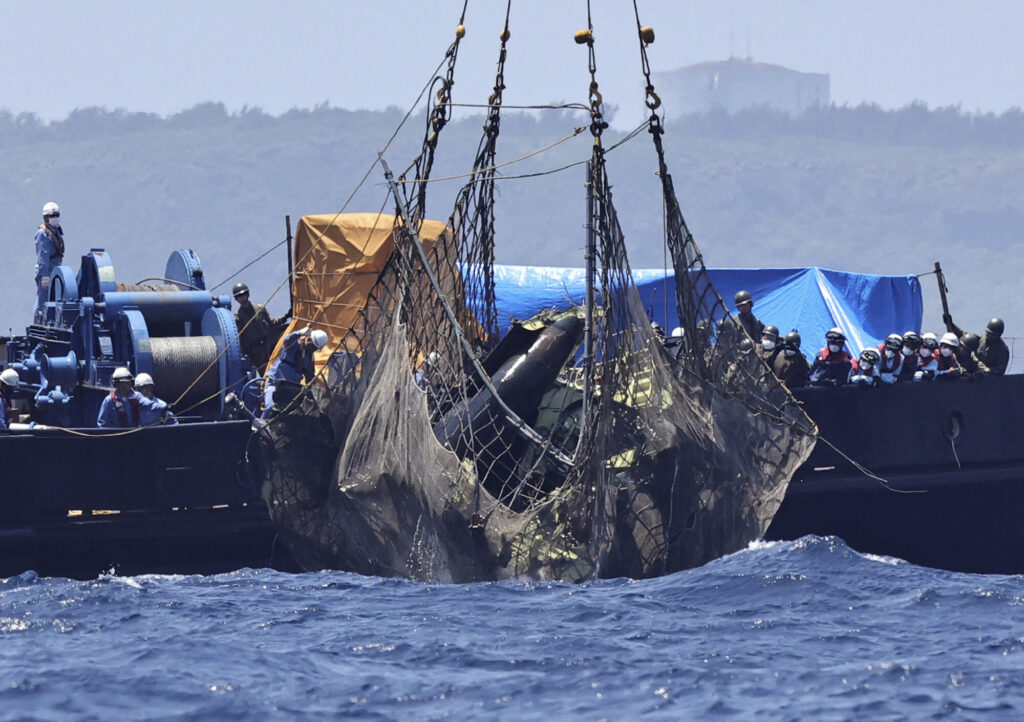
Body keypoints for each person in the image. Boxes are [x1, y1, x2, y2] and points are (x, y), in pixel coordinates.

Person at [261, 326, 329, 419]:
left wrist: (317, 392)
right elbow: (287, 339)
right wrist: (300, 332)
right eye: (312, 346)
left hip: (290, 390)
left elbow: (310, 377)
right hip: (275, 382)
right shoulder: (293, 346)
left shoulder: (309, 359)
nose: (312, 350)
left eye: (315, 348)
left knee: (290, 415)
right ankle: (260, 429)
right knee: (270, 407)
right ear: (308, 339)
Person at [232, 282, 290, 374]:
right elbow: (241, 339)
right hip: (256, 351)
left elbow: (271, 324)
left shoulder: (259, 308)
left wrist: (286, 317)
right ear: (236, 299)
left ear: (248, 294)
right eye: (239, 297)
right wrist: (247, 356)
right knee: (267, 374)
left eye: (244, 295)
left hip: (269, 342)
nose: (242, 298)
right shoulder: (238, 317)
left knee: (288, 331)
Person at [33, 201, 65, 323]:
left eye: (56, 215)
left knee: (53, 299)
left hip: (54, 270)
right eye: (52, 215)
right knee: (42, 300)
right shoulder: (42, 233)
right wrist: (44, 276)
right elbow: (43, 257)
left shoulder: (56, 231)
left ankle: (48, 322)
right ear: (46, 217)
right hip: (45, 270)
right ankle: (37, 323)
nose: (55, 218)